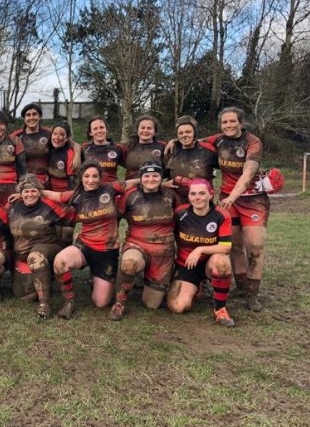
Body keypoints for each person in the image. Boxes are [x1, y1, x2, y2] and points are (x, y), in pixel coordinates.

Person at [202, 107, 269, 311]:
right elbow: (192, 140)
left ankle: (253, 294)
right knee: (233, 245)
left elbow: (247, 174)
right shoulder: (218, 140)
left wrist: (232, 196)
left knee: (255, 245)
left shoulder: (253, 142)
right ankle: (241, 287)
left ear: (241, 123)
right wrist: (173, 142)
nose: (229, 125)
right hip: (227, 200)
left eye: (232, 121)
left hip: (252, 199)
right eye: (225, 122)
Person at [47, 162, 130, 319]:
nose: (90, 180)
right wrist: (31, 191)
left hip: (107, 251)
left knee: (100, 303)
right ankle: (69, 301)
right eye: (86, 176)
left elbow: (134, 183)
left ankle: (97, 277)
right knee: (60, 261)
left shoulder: (110, 188)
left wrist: (162, 182)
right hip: (85, 245)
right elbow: (56, 196)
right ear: (81, 178)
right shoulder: (76, 195)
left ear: (100, 177)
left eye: (94, 176)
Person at [109, 161, 180, 321]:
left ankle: (151, 280)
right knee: (129, 264)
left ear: (161, 178)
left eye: (155, 176)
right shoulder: (131, 195)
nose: (151, 179)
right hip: (137, 245)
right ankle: (120, 302)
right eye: (146, 176)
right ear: (140, 178)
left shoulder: (171, 196)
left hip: (163, 252)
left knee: (151, 304)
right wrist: (112, 238)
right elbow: (115, 218)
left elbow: (181, 221)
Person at [168, 179, 235, 326]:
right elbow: (166, 235)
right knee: (177, 307)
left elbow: (226, 247)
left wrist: (200, 249)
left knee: (222, 262)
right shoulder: (180, 213)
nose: (197, 197)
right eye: (193, 194)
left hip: (209, 263)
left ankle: (220, 309)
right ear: (188, 196)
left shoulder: (221, 215)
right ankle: (196, 288)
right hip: (186, 264)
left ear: (211, 195)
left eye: (202, 193)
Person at [8, 174, 74, 318]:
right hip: (23, 255)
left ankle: (44, 304)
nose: (30, 194)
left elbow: (71, 218)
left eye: (34, 191)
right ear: (21, 193)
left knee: (35, 257)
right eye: (26, 191)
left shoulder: (48, 205)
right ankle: (47, 276)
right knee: (25, 296)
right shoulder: (13, 207)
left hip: (49, 246)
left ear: (40, 192)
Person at [10, 102, 81, 183]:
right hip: (24, 181)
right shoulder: (16, 136)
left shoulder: (49, 133)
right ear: (24, 118)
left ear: (40, 117)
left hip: (45, 180)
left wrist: (77, 156)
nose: (31, 117)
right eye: (28, 115)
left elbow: (74, 144)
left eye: (34, 114)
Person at [162, 115, 218, 200]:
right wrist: (162, 184)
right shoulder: (171, 150)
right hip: (177, 199)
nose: (184, 135)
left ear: (194, 133)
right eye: (180, 133)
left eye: (188, 132)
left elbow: (226, 170)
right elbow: (160, 174)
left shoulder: (208, 150)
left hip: (201, 200)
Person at [120, 114, 165, 180]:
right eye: (143, 128)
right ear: (137, 130)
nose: (145, 131)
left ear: (155, 131)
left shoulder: (163, 147)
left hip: (153, 183)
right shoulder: (126, 147)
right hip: (131, 184)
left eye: (149, 128)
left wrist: (174, 141)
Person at [81, 115, 123, 182]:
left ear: (106, 129)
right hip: (92, 184)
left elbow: (131, 167)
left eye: (101, 127)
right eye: (95, 129)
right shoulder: (84, 148)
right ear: (90, 133)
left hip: (111, 186)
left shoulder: (118, 148)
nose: (99, 131)